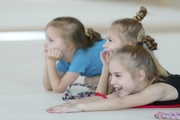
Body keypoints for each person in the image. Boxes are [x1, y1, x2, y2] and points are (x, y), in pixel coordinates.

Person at [46, 35, 180, 113]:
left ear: (140, 75)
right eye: (112, 75)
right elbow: (105, 98)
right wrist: (73, 103)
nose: (112, 82)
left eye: (118, 75)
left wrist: (80, 107)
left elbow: (120, 103)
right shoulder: (134, 85)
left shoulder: (157, 89)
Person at [43, 16, 105, 93]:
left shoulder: (80, 57)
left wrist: (51, 62)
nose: (45, 44)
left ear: (69, 45)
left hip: (121, 63)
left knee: (90, 81)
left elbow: (58, 88)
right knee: (90, 81)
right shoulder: (65, 56)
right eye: (46, 39)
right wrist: (47, 60)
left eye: (51, 40)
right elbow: (49, 86)